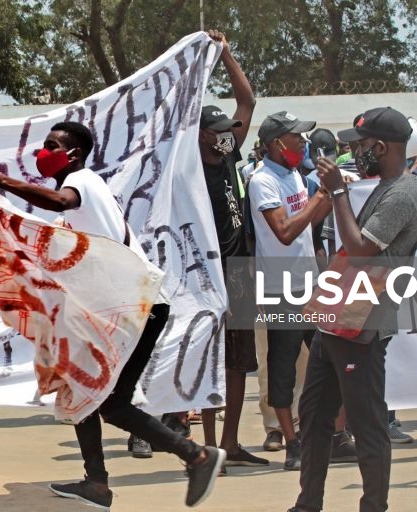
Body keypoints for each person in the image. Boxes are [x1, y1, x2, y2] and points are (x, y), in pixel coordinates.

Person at [0, 121, 225, 510]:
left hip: (136, 309)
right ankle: (97, 484)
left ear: (72, 154)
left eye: (52, 145)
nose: (43, 152)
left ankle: (197, 456)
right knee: (78, 386)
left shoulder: (84, 181)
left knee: (112, 404)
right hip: (118, 311)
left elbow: (58, 203)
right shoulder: (77, 203)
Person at [290, 107, 417, 512]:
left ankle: (373, 507)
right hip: (337, 322)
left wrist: (337, 192)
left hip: (364, 327)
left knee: (367, 425)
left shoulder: (403, 193)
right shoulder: (386, 186)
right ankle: (307, 504)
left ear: (382, 147)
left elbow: (364, 252)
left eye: (361, 146)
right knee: (313, 418)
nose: (355, 152)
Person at [192, 29, 268, 473]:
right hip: (207, 274)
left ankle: (231, 443)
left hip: (238, 272)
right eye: (217, 132)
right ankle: (205, 446)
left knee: (239, 362)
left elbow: (248, 102)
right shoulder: (188, 167)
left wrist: (226, 54)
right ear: (199, 135)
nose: (226, 136)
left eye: (227, 132)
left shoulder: (229, 154)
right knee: (208, 361)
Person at [247, 112, 332, 471]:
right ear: (276, 143)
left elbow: (308, 225)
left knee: (330, 357)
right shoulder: (262, 181)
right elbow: (283, 231)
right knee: (282, 367)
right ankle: (292, 443)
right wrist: (319, 197)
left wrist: (331, 195)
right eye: (297, 136)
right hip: (280, 289)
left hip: (309, 284)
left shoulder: (295, 174)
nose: (303, 142)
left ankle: (336, 435)